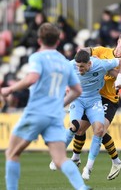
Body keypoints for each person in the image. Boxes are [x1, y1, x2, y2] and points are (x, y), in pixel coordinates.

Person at [0, 23, 91, 190]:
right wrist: (59, 104)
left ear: (39, 39)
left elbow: (32, 78)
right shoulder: (65, 62)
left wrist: (10, 89)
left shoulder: (38, 57)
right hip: (55, 115)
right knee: (60, 159)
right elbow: (77, 90)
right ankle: (81, 187)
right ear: (58, 41)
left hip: (36, 112)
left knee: (12, 153)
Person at [49, 50, 121, 180]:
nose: (79, 69)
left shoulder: (100, 64)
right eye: (77, 66)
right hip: (77, 99)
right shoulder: (70, 65)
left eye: (82, 67)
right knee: (74, 127)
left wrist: (119, 78)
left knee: (99, 130)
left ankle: (88, 168)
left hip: (94, 100)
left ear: (89, 63)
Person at [71, 32, 121, 180]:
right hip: (94, 97)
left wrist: (99, 65)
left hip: (109, 99)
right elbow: (86, 51)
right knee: (79, 129)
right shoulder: (102, 51)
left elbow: (118, 74)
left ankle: (113, 162)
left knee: (99, 130)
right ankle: (76, 158)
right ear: (118, 41)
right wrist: (86, 56)